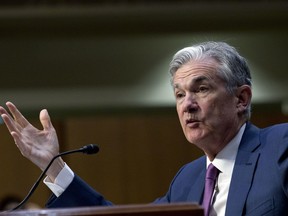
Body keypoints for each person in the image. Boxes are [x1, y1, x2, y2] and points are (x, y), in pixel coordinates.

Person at [0, 41, 287, 215]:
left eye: (201, 89)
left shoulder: (280, 147)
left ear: (241, 99)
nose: (187, 105)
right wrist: (53, 167)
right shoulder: (187, 180)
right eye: (179, 95)